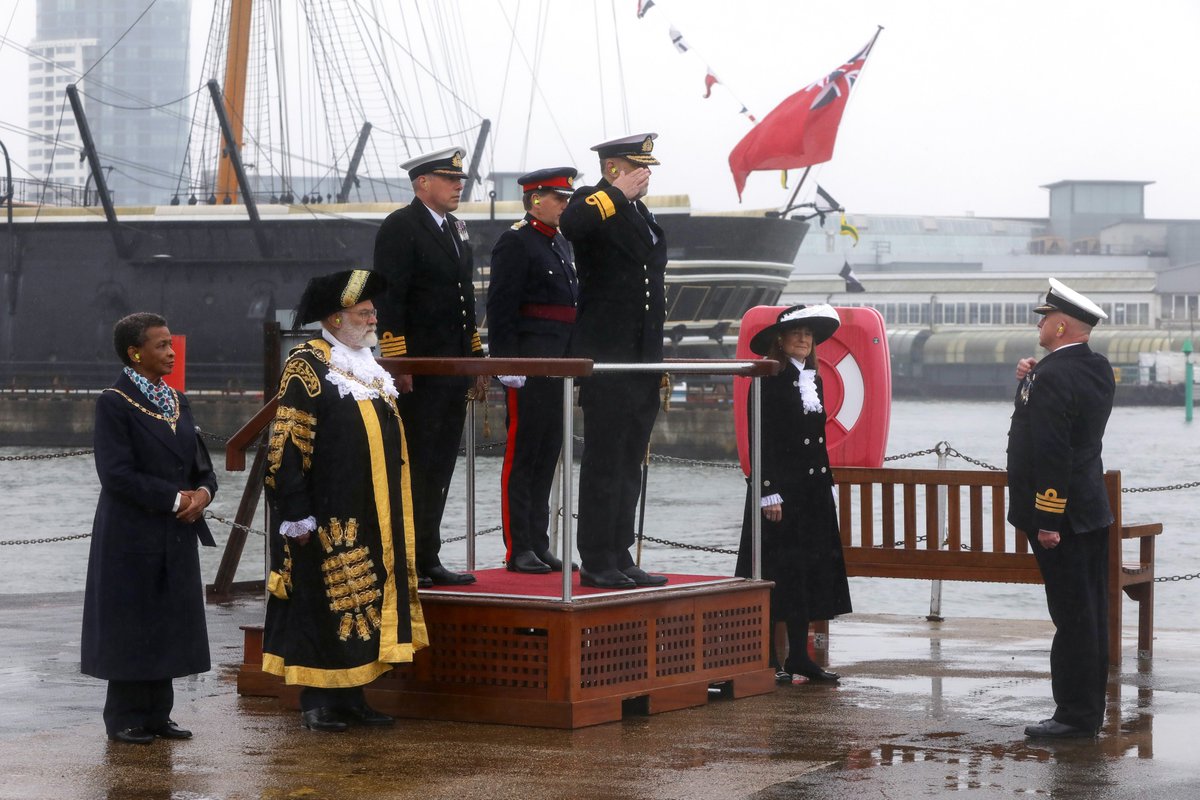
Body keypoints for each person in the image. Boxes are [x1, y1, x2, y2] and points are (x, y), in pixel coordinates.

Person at [262, 269, 429, 732]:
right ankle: (318, 701)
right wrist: (295, 512)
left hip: (372, 506)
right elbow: (287, 442)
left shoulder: (367, 365)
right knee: (327, 598)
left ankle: (353, 697)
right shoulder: (307, 364)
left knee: (364, 601)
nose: (374, 318)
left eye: (373, 311)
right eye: (364, 312)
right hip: (328, 508)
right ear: (335, 319)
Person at [81, 313, 218, 744]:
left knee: (167, 622)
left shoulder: (178, 401)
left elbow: (202, 468)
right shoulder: (114, 402)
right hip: (130, 535)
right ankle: (124, 717)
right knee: (132, 623)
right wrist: (177, 500)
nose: (171, 352)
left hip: (175, 533)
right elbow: (116, 474)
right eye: (161, 345)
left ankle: (159, 714)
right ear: (134, 352)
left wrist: (203, 494)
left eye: (170, 344)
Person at [374, 146, 487, 587]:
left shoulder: (456, 229)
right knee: (415, 465)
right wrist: (400, 363)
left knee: (440, 465)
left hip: (450, 370)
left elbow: (465, 302)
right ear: (423, 182)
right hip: (419, 371)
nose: (459, 185)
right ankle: (405, 559)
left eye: (460, 179)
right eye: (450, 179)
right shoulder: (401, 227)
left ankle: (428, 555)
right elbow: (391, 299)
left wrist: (474, 358)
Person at [559, 133, 668, 590]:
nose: (646, 176)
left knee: (630, 460)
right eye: (637, 167)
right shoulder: (595, 201)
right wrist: (615, 194)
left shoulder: (639, 213)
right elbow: (573, 224)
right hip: (607, 356)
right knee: (604, 460)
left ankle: (621, 550)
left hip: (641, 359)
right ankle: (596, 556)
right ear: (613, 169)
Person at [1007, 278, 1115, 739]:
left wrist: (1048, 518)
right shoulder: (1098, 368)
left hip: (1062, 517)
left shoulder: (1051, 375)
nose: (1041, 324)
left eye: (1046, 318)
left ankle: (1073, 715)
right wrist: (1031, 378)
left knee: (1070, 616)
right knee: (1089, 613)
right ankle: (1089, 710)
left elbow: (1052, 449)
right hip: (1091, 508)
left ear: (1062, 325)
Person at [735, 304, 853, 684]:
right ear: (780, 340)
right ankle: (769, 659)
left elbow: (815, 441)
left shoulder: (813, 380)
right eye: (796, 333)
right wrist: (768, 491)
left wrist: (824, 487)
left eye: (809, 334)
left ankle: (800, 657)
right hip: (780, 493)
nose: (804, 339)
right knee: (775, 573)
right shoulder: (767, 376)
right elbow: (762, 437)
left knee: (806, 573)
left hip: (811, 490)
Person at [487, 167, 580, 573]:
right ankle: (518, 547)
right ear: (535, 199)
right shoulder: (516, 241)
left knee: (548, 455)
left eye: (566, 198)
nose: (564, 205)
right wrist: (507, 362)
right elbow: (501, 307)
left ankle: (539, 543)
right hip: (527, 363)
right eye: (558, 198)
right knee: (522, 456)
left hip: (557, 364)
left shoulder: (560, 243)